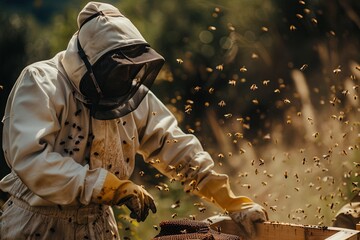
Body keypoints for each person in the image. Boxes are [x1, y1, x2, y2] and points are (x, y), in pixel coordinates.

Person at [0, 2, 267, 239]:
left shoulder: (128, 93)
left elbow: (172, 143)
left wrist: (230, 200)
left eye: (130, 71)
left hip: (99, 226)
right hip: (37, 226)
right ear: (88, 64)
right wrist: (108, 186)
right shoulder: (40, 82)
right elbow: (31, 159)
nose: (125, 80)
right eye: (117, 71)